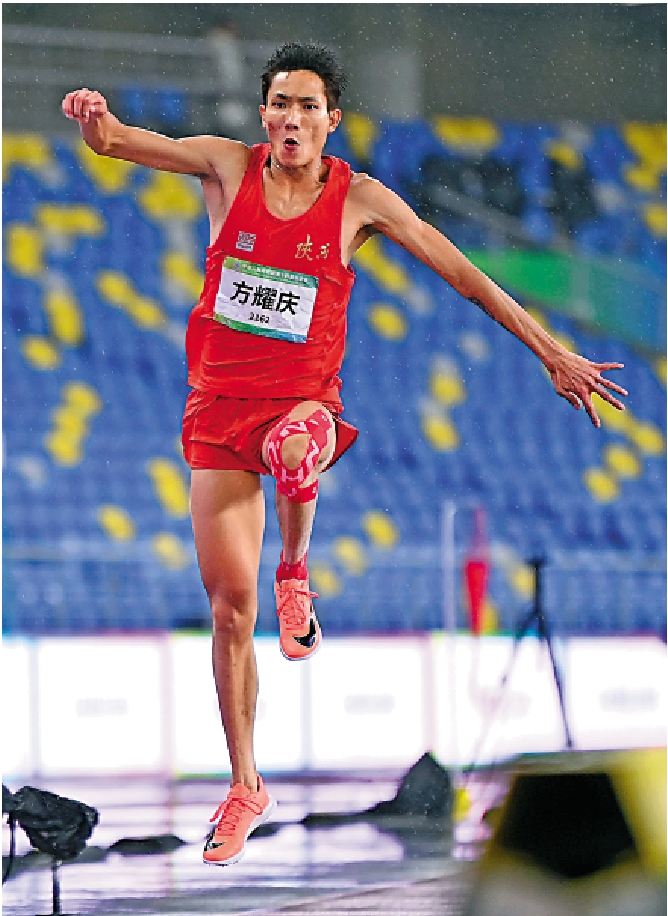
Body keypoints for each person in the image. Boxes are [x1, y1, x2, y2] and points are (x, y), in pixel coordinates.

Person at [62, 41, 627, 866]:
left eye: (308, 106)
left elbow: (463, 275)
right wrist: (96, 121)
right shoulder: (226, 167)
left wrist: (551, 352)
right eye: (280, 103)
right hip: (218, 409)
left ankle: (297, 569)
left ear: (333, 121)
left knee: (295, 452)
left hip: (303, 408)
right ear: (264, 115)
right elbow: (117, 144)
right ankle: (246, 784)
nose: (292, 117)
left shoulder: (360, 200)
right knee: (227, 611)